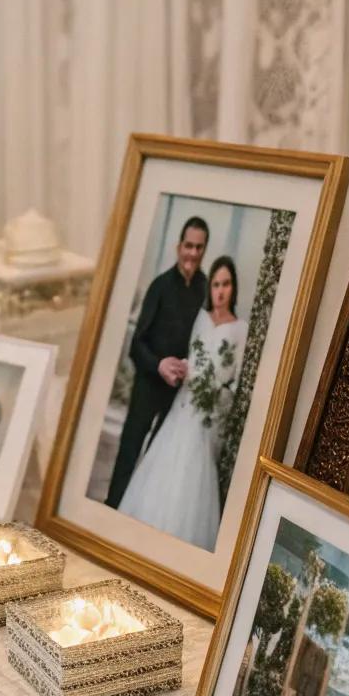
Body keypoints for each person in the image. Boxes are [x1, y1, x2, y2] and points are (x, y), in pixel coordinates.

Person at [117, 256, 247, 550]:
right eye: (215, 284)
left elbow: (235, 378)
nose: (220, 291)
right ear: (210, 288)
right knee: (166, 457)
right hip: (184, 400)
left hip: (208, 411)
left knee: (195, 465)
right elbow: (186, 351)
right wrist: (183, 367)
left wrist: (217, 391)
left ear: (233, 288)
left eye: (226, 284)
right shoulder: (199, 319)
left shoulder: (241, 328)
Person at [104, 217, 209, 508]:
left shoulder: (204, 289)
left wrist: (189, 365)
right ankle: (112, 507)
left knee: (159, 460)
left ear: (204, 251)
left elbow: (204, 338)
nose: (192, 253)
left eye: (199, 247)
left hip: (179, 391)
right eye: (188, 245)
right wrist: (159, 365)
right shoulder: (160, 286)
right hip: (148, 385)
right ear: (179, 247)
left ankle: (140, 512)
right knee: (129, 451)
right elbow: (136, 345)